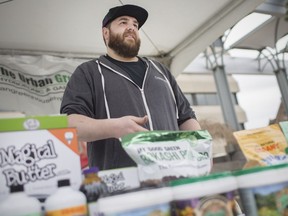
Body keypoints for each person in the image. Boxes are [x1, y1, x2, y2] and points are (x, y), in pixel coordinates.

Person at [60, 4, 201, 170]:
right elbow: (70, 123)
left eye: (135, 24)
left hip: (175, 178)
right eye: (123, 22)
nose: (131, 28)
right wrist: (115, 128)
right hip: (121, 186)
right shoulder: (88, 72)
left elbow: (186, 117)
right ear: (106, 33)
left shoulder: (160, 70)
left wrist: (200, 149)